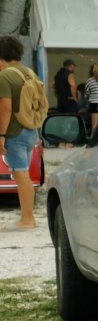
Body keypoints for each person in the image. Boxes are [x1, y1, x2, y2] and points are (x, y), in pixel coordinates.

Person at [0, 35, 42, 230]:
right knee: (23, 174)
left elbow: (5, 108)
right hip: (30, 129)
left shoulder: (5, 76)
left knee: (20, 175)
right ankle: (27, 216)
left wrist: (1, 135)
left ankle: (27, 219)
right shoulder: (28, 72)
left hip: (14, 132)